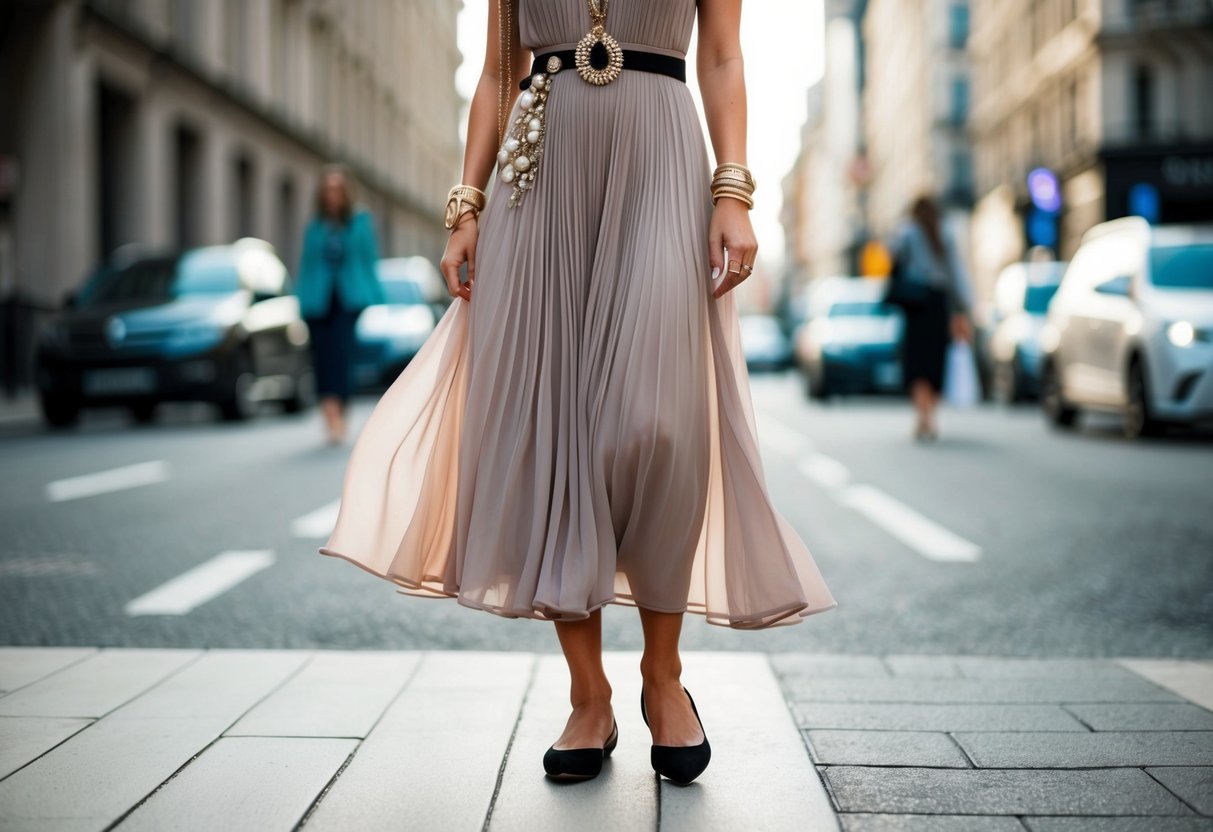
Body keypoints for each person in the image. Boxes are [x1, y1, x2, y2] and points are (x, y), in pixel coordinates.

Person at [318, 0, 837, 785]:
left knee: (657, 423)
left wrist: (732, 189)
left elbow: (724, 53)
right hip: (540, 170)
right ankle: (587, 693)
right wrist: (466, 205)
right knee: (555, 429)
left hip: (662, 154)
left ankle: (661, 675)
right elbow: (499, 69)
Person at [295, 164, 386, 445]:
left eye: (337, 189)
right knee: (322, 357)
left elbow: (369, 260)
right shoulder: (316, 225)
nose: (332, 194)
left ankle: (340, 410)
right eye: (327, 189)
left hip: (349, 298)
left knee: (342, 355)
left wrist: (376, 296)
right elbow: (307, 264)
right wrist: (300, 300)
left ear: (346, 193)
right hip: (317, 300)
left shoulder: (360, 222)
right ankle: (330, 414)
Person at [889, 195, 974, 441]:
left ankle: (922, 416)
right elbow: (956, 272)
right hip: (938, 304)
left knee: (916, 363)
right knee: (934, 362)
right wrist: (964, 306)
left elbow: (892, 260)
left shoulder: (906, 233)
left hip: (916, 305)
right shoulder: (944, 232)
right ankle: (931, 416)